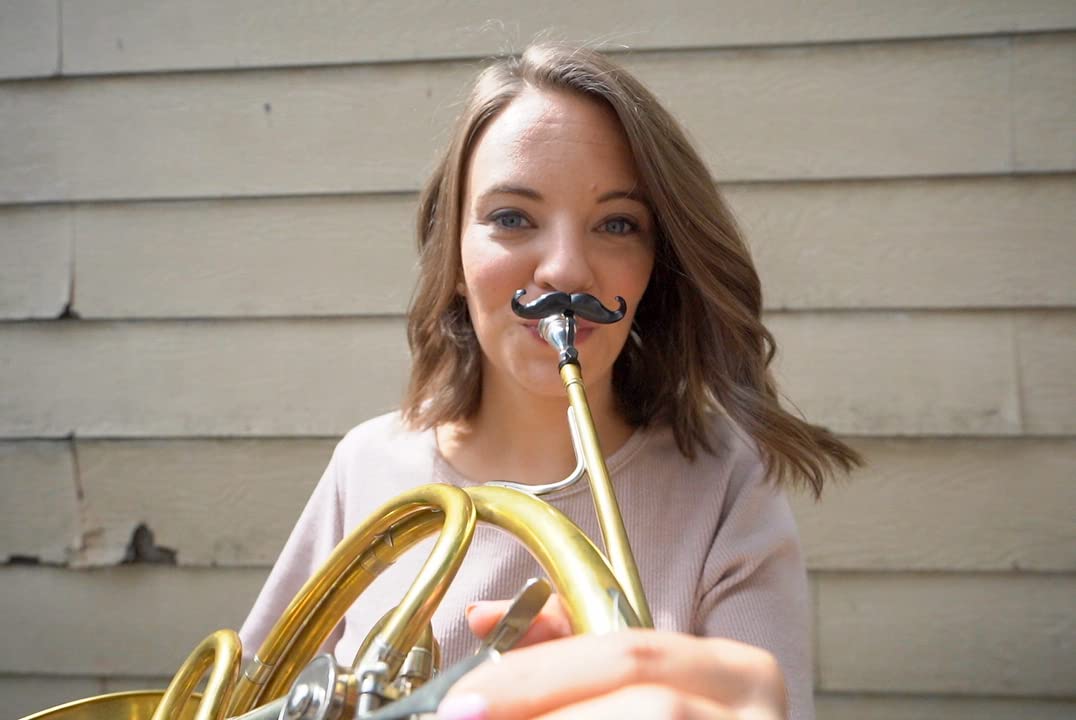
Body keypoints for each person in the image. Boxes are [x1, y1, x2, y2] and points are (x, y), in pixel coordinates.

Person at [239, 43, 861, 720]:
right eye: (512, 218)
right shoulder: (366, 465)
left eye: (617, 224)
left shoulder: (726, 483)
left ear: (655, 267)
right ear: (453, 255)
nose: (565, 271)